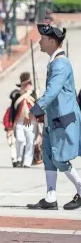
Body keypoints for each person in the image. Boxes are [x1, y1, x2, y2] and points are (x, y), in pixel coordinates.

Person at [27, 23, 81, 210]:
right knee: (49, 157)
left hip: (62, 119)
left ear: (52, 41)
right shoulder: (55, 62)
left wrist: (34, 110)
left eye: (43, 39)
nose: (40, 42)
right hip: (52, 119)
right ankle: (51, 198)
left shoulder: (60, 64)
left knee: (59, 158)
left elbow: (52, 92)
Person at [9, 72, 39, 168]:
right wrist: (10, 124)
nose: (27, 86)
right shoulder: (17, 95)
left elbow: (38, 108)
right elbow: (12, 110)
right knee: (20, 140)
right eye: (25, 84)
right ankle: (19, 158)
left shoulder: (34, 94)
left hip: (31, 121)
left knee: (30, 141)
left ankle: (27, 162)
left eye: (28, 84)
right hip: (20, 121)